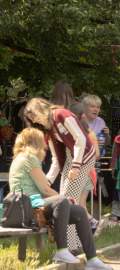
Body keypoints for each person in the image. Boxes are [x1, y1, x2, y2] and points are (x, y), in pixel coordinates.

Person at [6, 128, 112, 270]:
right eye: (42, 140)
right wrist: (63, 199)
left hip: (34, 207)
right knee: (61, 201)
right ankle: (62, 250)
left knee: (79, 212)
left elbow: (44, 191)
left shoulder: (23, 157)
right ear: (36, 142)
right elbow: (45, 190)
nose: (45, 145)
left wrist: (63, 199)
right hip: (27, 210)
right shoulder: (29, 157)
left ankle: (92, 259)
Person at [25, 98, 97, 251]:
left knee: (66, 203)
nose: (34, 120)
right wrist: (48, 181)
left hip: (83, 157)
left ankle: (71, 247)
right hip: (72, 160)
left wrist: (76, 166)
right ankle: (76, 245)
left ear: (39, 110)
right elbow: (56, 160)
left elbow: (81, 139)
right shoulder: (50, 128)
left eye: (33, 116)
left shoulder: (62, 114)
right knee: (66, 201)